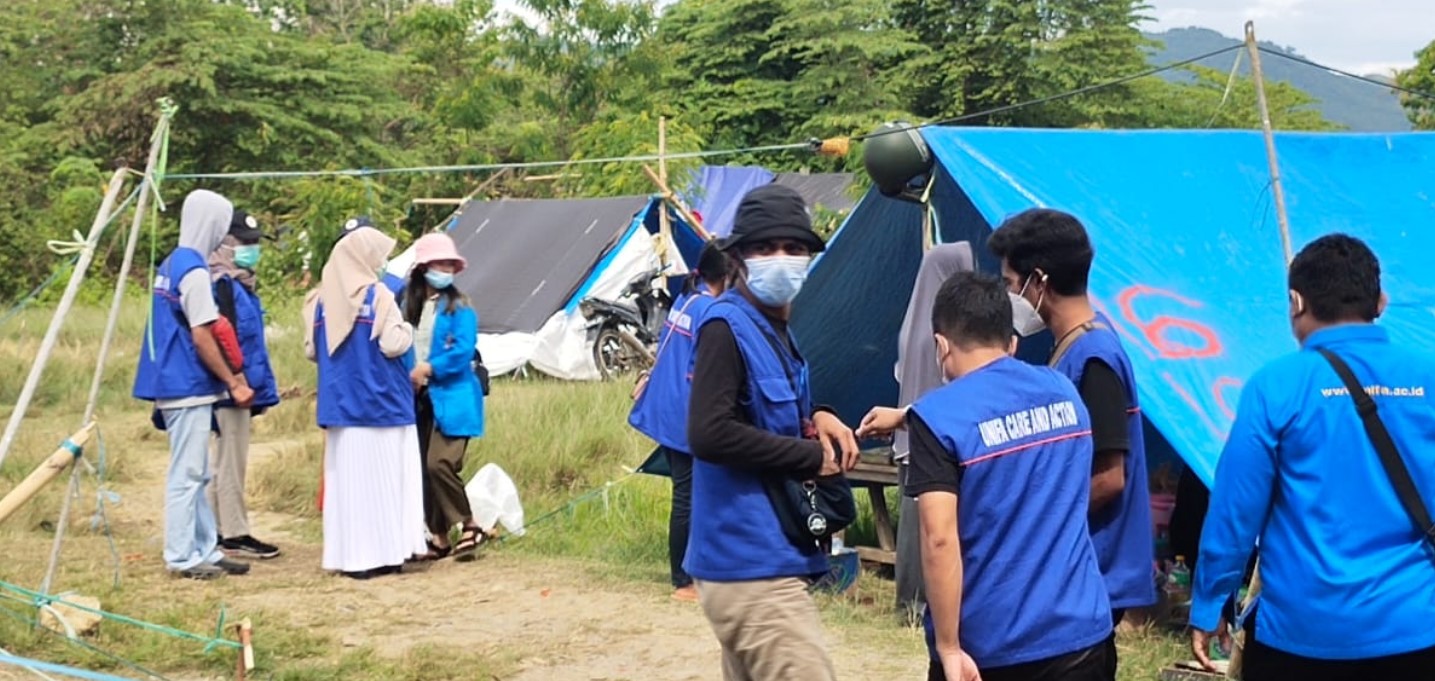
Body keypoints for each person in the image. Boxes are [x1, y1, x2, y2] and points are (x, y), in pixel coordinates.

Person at [1190, 234, 1435, 679]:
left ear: (1295, 301)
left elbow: (1234, 513)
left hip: (1301, 636)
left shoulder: (1275, 386)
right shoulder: (1428, 378)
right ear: (1380, 302)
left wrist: (1210, 602)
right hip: (1416, 630)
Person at [864, 271, 1112, 681]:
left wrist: (948, 646)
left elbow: (939, 539)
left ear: (941, 345)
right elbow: (1001, 413)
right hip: (1082, 634)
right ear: (1012, 342)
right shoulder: (1065, 390)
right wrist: (909, 418)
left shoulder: (939, 419)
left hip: (992, 649)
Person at [686, 184, 859, 681]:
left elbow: (765, 411)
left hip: (764, 556)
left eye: (793, 248)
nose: (780, 259)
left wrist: (820, 413)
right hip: (750, 560)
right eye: (764, 248)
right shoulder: (725, 325)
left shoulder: (774, 327)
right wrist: (810, 458)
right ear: (738, 258)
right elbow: (709, 432)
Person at [987, 209, 1156, 644]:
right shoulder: (1071, 346)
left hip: (1094, 571)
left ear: (1038, 281)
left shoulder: (1094, 356)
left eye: (1010, 284)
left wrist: (1035, 524)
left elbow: (1109, 479)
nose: (1009, 296)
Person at [133, 189, 255, 580]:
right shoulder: (196, 272)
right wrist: (233, 381)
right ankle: (182, 555)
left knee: (197, 471)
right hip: (185, 382)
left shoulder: (174, 262)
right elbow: (204, 334)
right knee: (187, 474)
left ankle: (205, 548)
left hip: (175, 379)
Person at [854, 242, 974, 622]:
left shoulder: (914, 321)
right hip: (934, 434)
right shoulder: (942, 332)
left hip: (910, 432)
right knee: (930, 526)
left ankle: (910, 601)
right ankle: (918, 605)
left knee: (915, 522)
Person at [303, 225, 427, 580]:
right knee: (386, 482)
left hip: (341, 405)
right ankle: (387, 553)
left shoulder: (321, 300)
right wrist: (405, 330)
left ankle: (352, 558)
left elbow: (312, 350)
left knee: (348, 485)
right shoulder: (379, 295)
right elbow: (393, 344)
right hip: (381, 404)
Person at [628, 240, 730, 603]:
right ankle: (683, 580)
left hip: (668, 408)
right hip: (684, 414)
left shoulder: (687, 301)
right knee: (688, 497)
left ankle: (700, 571)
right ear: (729, 275)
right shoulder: (710, 310)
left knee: (694, 494)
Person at [402, 233, 487, 563]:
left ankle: (469, 523)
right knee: (421, 467)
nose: (445, 269)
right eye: (439, 263)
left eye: (449, 264)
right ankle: (438, 537)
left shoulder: (460, 307)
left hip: (453, 396)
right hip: (419, 397)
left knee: (440, 463)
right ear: (423, 268)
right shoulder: (409, 305)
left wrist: (429, 367)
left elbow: (463, 351)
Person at [206, 209, 282, 560]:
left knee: (223, 460)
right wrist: (236, 382)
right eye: (244, 243)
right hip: (229, 388)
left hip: (239, 385)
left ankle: (217, 529)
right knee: (229, 461)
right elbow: (222, 338)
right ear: (225, 244)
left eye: (254, 243)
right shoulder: (220, 285)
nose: (252, 250)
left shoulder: (239, 284)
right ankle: (233, 532)